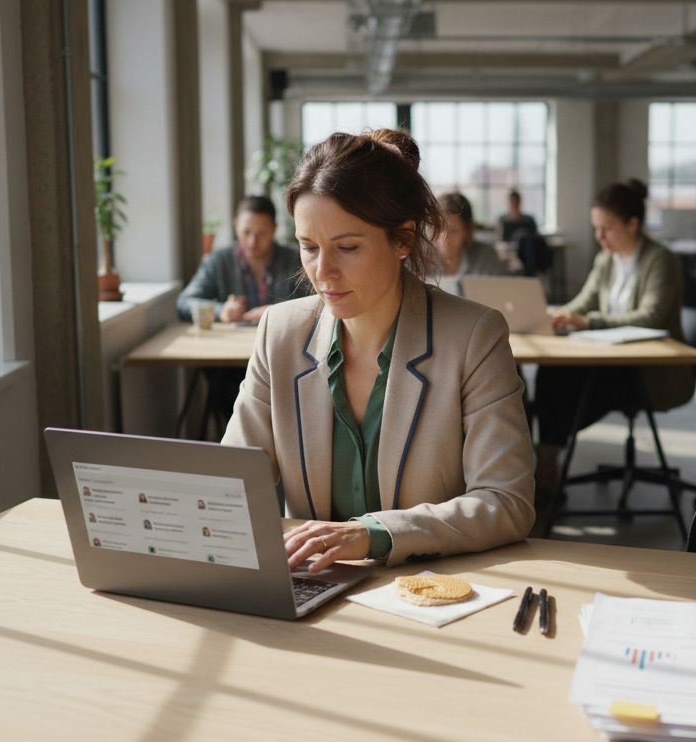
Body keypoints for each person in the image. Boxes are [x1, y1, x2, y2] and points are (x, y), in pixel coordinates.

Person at [223, 129, 535, 572]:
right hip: (312, 584)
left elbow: (506, 500)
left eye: (347, 247)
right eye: (308, 247)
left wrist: (375, 534)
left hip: (426, 590)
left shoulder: (473, 337)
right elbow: (235, 481)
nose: (322, 270)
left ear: (403, 241)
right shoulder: (280, 331)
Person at [533, 178, 691, 500]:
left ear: (633, 224)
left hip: (648, 372)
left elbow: (650, 317)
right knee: (551, 373)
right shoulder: (607, 259)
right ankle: (547, 461)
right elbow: (585, 300)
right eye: (596, 229)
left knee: (563, 387)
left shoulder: (661, 260)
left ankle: (547, 464)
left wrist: (589, 322)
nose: (599, 237)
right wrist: (559, 314)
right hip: (608, 361)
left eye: (606, 229)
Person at [176, 195, 308, 324]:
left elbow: (318, 304)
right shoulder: (218, 261)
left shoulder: (296, 259)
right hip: (231, 341)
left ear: (274, 229)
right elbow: (184, 303)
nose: (252, 242)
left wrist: (276, 313)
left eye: (261, 233)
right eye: (246, 232)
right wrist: (221, 311)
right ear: (236, 226)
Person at [433, 191, 513, 295]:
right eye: (440, 229)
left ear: (467, 231)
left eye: (454, 231)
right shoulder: (420, 258)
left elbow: (504, 296)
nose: (444, 238)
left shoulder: (486, 256)